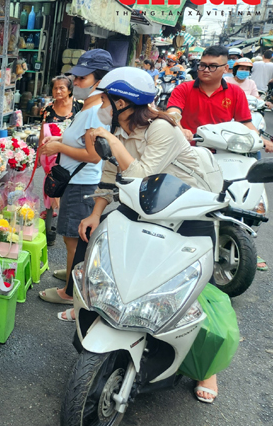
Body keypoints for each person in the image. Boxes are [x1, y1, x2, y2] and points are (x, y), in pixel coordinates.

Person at [67, 66, 223, 404]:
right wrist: (95, 213)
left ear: (122, 102)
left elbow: (141, 174)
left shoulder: (161, 128)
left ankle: (205, 367)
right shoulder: (118, 129)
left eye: (105, 100)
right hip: (144, 205)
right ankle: (90, 305)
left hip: (188, 209)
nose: (101, 106)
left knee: (195, 287)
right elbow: (110, 176)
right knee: (98, 241)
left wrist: (112, 142)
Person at [36, 49, 112, 307]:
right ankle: (71, 275)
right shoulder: (88, 106)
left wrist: (59, 147)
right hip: (77, 181)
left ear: (99, 80)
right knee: (73, 238)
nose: (76, 83)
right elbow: (80, 141)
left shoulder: (94, 111)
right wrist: (60, 139)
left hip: (81, 183)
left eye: (82, 78)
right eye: (76, 78)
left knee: (74, 240)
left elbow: (93, 155)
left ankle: (70, 293)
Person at [166, 45, 273, 152]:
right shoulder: (183, 89)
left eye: (213, 66)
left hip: (222, 150)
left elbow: (245, 122)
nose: (206, 70)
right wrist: (181, 130)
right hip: (188, 149)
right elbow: (173, 114)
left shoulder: (236, 92)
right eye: (202, 65)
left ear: (225, 68)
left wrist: (262, 140)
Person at [37, 75, 83, 244]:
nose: (58, 91)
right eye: (55, 88)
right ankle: (49, 226)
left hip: (71, 152)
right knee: (52, 185)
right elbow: (43, 131)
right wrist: (40, 152)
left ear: (69, 90)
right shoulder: (48, 109)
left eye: (62, 88)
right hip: (50, 153)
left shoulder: (79, 106)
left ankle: (67, 222)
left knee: (68, 188)